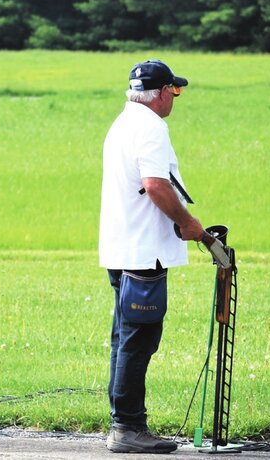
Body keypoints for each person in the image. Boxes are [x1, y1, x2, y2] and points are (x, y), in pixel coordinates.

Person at [99, 59, 205, 453]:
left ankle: (121, 422)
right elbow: (157, 186)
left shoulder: (122, 123)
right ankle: (127, 427)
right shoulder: (151, 127)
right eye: (174, 91)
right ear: (162, 93)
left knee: (124, 338)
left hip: (121, 248)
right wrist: (188, 222)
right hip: (143, 253)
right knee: (139, 339)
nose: (175, 97)